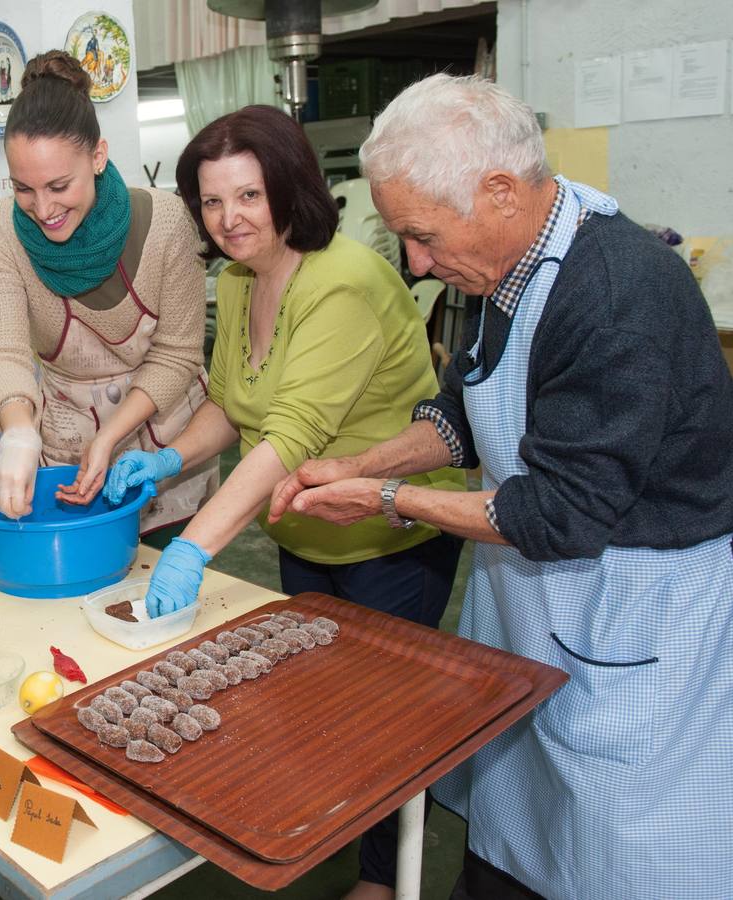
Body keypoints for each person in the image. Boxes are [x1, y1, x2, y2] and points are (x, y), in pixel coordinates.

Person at [269, 74, 733, 899]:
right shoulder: (497, 268)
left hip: (648, 611)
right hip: (542, 599)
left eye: (423, 235)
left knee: (632, 850)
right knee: (531, 827)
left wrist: (388, 503)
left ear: (500, 191)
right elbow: (463, 415)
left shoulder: (615, 290)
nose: (416, 262)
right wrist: (362, 464)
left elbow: (560, 510)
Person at [106, 105, 465, 897]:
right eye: (211, 201)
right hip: (308, 531)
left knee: (386, 723)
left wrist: (196, 544)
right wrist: (166, 457)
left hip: (393, 537)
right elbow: (235, 407)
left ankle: (383, 878)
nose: (229, 219)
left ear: (289, 190)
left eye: (248, 196)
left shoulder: (343, 281)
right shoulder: (238, 281)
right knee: (323, 706)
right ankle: (342, 832)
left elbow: (292, 435)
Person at [0, 50, 218, 530]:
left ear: (98, 156)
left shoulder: (165, 223)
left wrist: (110, 437)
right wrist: (19, 432)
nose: (42, 209)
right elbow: (4, 349)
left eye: (59, 185)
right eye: (23, 188)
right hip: (67, 440)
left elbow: (177, 354)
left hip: (166, 438)